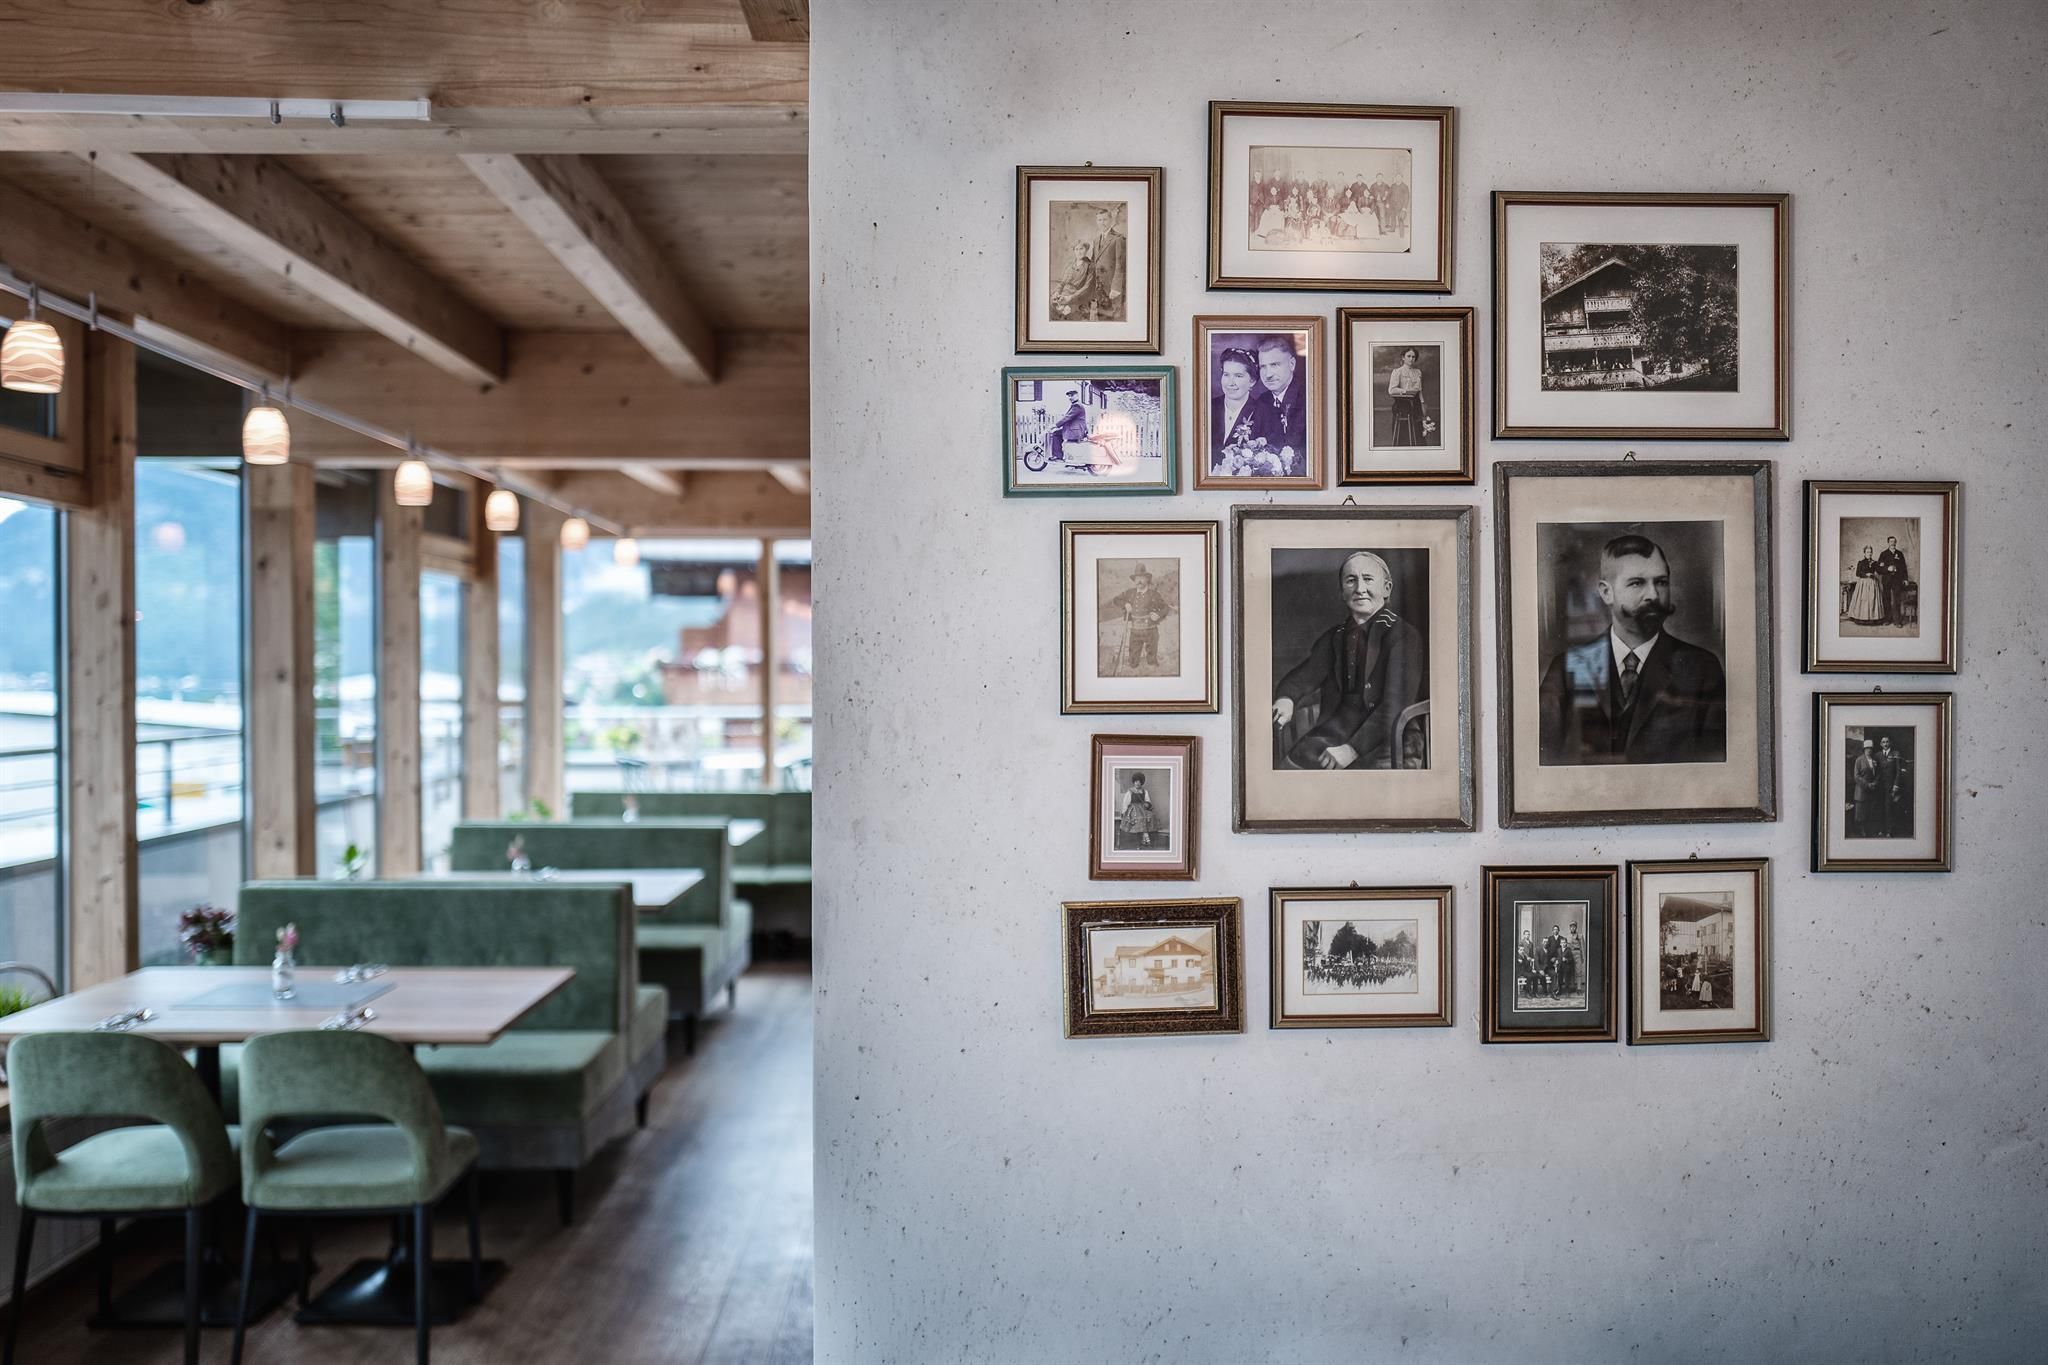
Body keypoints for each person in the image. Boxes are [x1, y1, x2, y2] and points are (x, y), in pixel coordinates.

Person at [1537, 533, 1728, 766]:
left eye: (1661, 582)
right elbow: (1542, 762)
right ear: (1606, 593)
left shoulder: (1703, 669)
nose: (1653, 595)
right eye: (1637, 583)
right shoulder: (1568, 668)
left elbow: (1715, 766)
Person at [1271, 551, 1423, 770]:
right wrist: (1287, 698)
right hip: (1333, 738)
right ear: (1342, 592)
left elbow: (1394, 706)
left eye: (1368, 579)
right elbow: (1305, 675)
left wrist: (1351, 749)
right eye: (1351, 580)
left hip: (1390, 742)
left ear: (1387, 588)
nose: (1360, 588)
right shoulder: (1336, 637)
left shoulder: (1404, 636)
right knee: (1286, 774)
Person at [1250, 333, 1310, 473]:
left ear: (1292, 364)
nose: (1268, 374)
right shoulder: (1262, 401)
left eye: (1274, 365)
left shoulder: (1309, 398)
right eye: (1263, 367)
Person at [1107, 564, 1170, 671]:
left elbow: (1166, 607)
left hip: (1151, 632)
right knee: (1133, 664)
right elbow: (1116, 600)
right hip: (1135, 631)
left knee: (1152, 664)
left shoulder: (1154, 594)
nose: (1139, 581)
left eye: (1142, 578)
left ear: (1147, 579)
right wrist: (1125, 604)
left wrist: (1158, 615)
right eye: (1136, 578)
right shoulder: (1130, 593)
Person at [1211, 348, 1260, 468]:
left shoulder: (1265, 414)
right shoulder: (1209, 407)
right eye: (1226, 375)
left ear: (1252, 381)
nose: (1230, 383)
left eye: (1238, 376)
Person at [1089, 204, 1126, 322]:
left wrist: (1116, 287)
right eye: (1099, 220)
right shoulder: (1096, 240)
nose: (1102, 223)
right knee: (1101, 319)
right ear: (1096, 222)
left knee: (1114, 318)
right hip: (1098, 288)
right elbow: (1093, 263)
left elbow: (1120, 265)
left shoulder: (1118, 238)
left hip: (1112, 288)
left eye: (1105, 219)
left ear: (1110, 220)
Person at [1386, 347, 1427, 446]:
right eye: (1408, 356)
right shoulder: (1397, 372)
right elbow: (1391, 390)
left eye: (1413, 357)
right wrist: (1405, 391)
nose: (1411, 359)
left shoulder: (1418, 372)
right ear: (1403, 357)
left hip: (1416, 404)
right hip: (1403, 405)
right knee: (1405, 434)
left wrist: (1423, 406)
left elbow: (1420, 391)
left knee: (1418, 434)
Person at [1045, 385, 1091, 468]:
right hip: (1075, 429)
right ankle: (1061, 455)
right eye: (1069, 396)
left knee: (1055, 434)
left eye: (1072, 395)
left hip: (1075, 431)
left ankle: (1058, 456)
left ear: (1077, 395)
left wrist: (1055, 425)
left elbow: (1067, 417)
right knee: (1057, 433)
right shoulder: (1076, 405)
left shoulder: (1077, 406)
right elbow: (1069, 418)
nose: (1070, 398)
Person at [1845, 545, 1885, 625]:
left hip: (1872, 583)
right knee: (1863, 600)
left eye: (1870, 552)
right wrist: (1866, 574)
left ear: (1872, 553)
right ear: (1864, 553)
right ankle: (1862, 618)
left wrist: (1882, 566)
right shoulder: (1861, 562)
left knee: (1872, 600)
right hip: (1863, 583)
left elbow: (1879, 571)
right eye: (1867, 552)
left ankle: (1872, 618)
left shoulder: (1875, 563)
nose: (1869, 553)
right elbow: (1857, 573)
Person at [1850, 739, 1882, 837]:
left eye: (1870, 748)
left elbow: (1878, 774)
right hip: (1862, 790)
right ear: (1864, 749)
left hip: (1872, 791)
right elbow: (1856, 776)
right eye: (1867, 748)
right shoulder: (1859, 760)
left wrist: (1875, 783)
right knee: (1861, 813)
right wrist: (1867, 784)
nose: (1869, 750)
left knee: (1870, 811)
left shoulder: (1874, 760)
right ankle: (1861, 831)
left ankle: (1869, 831)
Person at [1117, 773, 1158, 849]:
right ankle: (1139, 842)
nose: (1137, 783)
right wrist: (1124, 812)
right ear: (1134, 782)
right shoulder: (1130, 791)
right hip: (1133, 809)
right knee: (1139, 818)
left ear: (1141, 783)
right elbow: (1125, 803)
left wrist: (1147, 804)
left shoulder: (1144, 791)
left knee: (1151, 816)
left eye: (1139, 782)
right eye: (1136, 782)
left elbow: (1148, 800)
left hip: (1143, 808)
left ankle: (1145, 838)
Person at [1876, 536, 1910, 626]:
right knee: (1886, 600)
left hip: (1897, 580)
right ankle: (1887, 619)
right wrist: (1887, 568)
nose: (1893, 543)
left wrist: (1905, 579)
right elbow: (1878, 569)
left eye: (1894, 541)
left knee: (1897, 600)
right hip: (1887, 580)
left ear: (1896, 543)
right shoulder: (1883, 554)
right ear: (1888, 543)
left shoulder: (1899, 554)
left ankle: (1897, 621)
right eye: (1891, 541)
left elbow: (1904, 568)